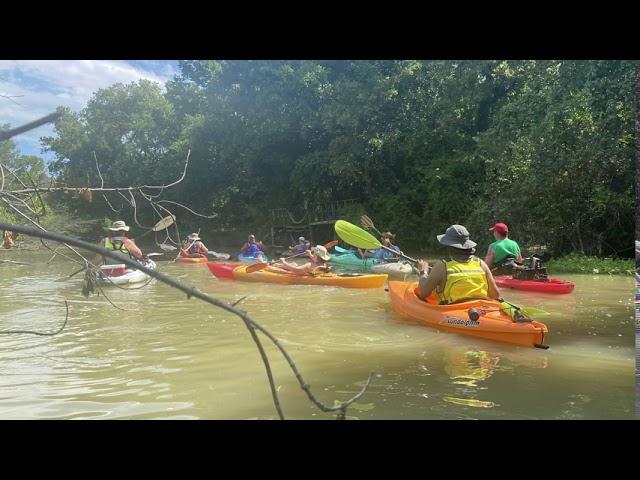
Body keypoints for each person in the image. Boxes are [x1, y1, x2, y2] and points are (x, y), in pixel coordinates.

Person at [415, 224, 501, 305]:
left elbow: (422, 293)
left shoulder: (442, 266)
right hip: (481, 308)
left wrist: (423, 272)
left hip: (454, 312)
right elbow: (495, 295)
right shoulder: (481, 264)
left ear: (448, 245)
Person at [267, 245, 332, 276]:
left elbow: (296, 270)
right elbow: (316, 260)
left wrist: (284, 261)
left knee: (293, 265)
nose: (313, 254)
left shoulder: (310, 265)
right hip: (314, 273)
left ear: (317, 255)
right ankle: (277, 265)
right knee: (294, 263)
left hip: (299, 272)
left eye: (314, 253)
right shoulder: (323, 264)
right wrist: (309, 254)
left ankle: (275, 265)